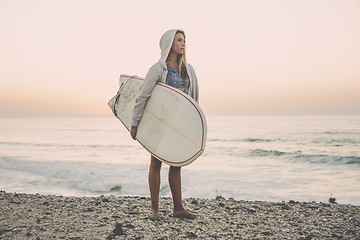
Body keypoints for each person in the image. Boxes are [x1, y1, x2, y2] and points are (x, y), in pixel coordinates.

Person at [130, 29, 199, 220]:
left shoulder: (189, 69)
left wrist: (193, 125)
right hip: (160, 122)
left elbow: (194, 101)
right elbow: (142, 96)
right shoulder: (158, 69)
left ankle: (178, 208)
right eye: (179, 40)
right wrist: (134, 123)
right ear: (169, 43)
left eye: (184, 40)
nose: (183, 43)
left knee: (176, 163)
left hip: (179, 124)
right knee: (156, 162)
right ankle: (154, 210)